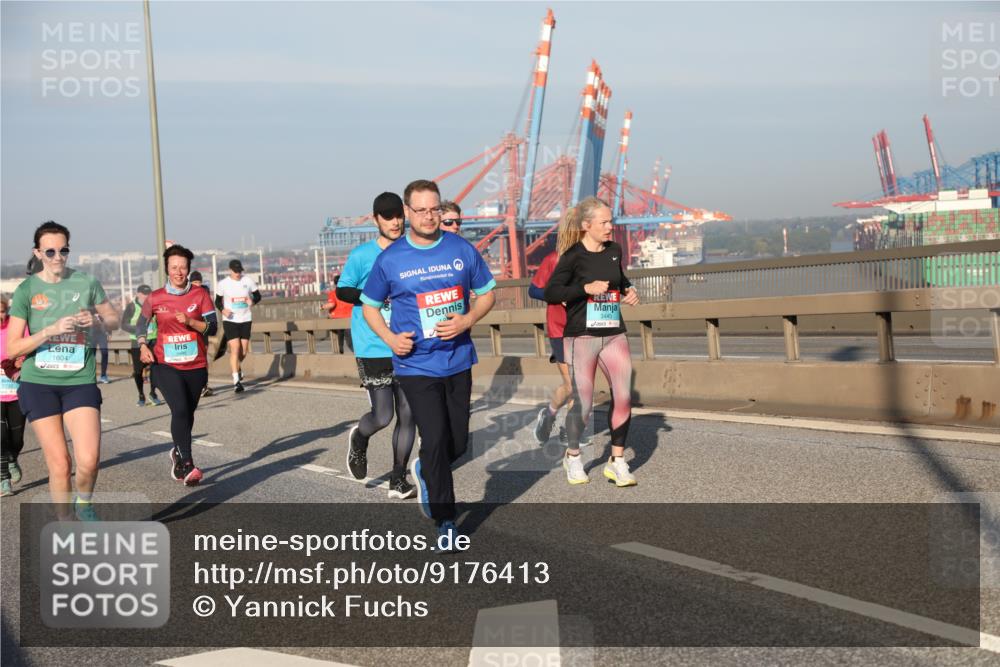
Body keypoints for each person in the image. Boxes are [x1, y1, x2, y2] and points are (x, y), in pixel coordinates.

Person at [361, 179, 496, 545]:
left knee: (457, 443)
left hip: (458, 359)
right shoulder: (391, 259)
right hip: (416, 365)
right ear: (407, 212)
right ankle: (446, 520)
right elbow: (369, 306)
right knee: (434, 438)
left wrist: (467, 320)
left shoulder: (460, 249)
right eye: (420, 210)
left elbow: (486, 295)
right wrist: (390, 338)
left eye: (434, 209)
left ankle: (424, 469)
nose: (428, 216)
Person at [6, 221, 120, 519]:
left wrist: (95, 321)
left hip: (79, 380)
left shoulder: (86, 283)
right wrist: (50, 331)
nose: (58, 256)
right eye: (51, 251)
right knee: (60, 464)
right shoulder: (27, 290)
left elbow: (113, 322)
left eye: (64, 250)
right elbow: (13, 348)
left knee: (90, 460)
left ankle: (83, 503)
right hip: (39, 383)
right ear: (38, 253)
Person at [543, 197, 640, 487]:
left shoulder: (614, 250)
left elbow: (619, 279)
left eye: (611, 221)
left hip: (613, 333)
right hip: (581, 337)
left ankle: (617, 461)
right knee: (583, 403)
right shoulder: (573, 256)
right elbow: (551, 292)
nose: (611, 226)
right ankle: (573, 457)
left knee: (623, 396)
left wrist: (629, 290)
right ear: (587, 226)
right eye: (605, 222)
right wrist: (584, 288)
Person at [338, 192, 416, 499]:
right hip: (373, 344)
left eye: (398, 215)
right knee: (383, 416)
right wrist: (371, 297)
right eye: (387, 216)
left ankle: (398, 478)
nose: (395, 221)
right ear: (376, 220)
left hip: (407, 344)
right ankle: (359, 437)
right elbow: (343, 290)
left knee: (409, 414)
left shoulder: (412, 252)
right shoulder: (362, 256)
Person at [137, 244, 218, 486]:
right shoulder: (155, 298)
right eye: (174, 267)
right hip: (165, 365)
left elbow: (213, 328)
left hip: (195, 366)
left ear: (188, 269)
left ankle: (177, 453)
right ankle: (189, 464)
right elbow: (140, 326)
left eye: (183, 267)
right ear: (167, 269)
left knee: (187, 415)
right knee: (180, 410)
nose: (179, 272)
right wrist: (142, 346)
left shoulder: (200, 295)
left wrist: (192, 322)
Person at [215, 259, 260, 393]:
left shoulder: (248, 281)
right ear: (230, 270)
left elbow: (258, 296)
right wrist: (223, 310)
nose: (238, 274)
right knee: (235, 349)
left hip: (246, 319)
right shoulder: (223, 284)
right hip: (230, 320)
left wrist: (252, 301)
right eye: (235, 271)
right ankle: (236, 381)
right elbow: (217, 301)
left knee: (244, 351)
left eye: (239, 271)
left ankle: (237, 367)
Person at [1, 295, 27, 497]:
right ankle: (3, 481)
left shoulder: (17, 326)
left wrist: (20, 360)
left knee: (17, 439)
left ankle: (12, 458)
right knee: (1, 437)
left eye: (2, 311)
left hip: (16, 388)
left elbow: (28, 345)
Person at [121, 285, 164, 407]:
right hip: (137, 342)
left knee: (155, 366)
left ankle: (153, 393)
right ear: (138, 294)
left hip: (153, 339)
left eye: (148, 294)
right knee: (138, 371)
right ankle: (141, 395)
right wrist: (138, 329)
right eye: (144, 294)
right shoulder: (131, 306)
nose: (146, 296)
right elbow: (123, 325)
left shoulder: (154, 304)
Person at [189, 271, 216, 398]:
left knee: (203, 357)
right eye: (195, 282)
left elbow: (210, 311)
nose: (197, 285)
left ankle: (204, 385)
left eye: (199, 282)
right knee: (193, 357)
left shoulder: (205, 292)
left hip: (203, 328)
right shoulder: (186, 292)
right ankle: (193, 384)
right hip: (190, 330)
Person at [92, 314, 110, 383]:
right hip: (91, 334)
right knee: (91, 356)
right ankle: (92, 376)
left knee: (105, 353)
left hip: (102, 334)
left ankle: (103, 375)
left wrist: (109, 332)